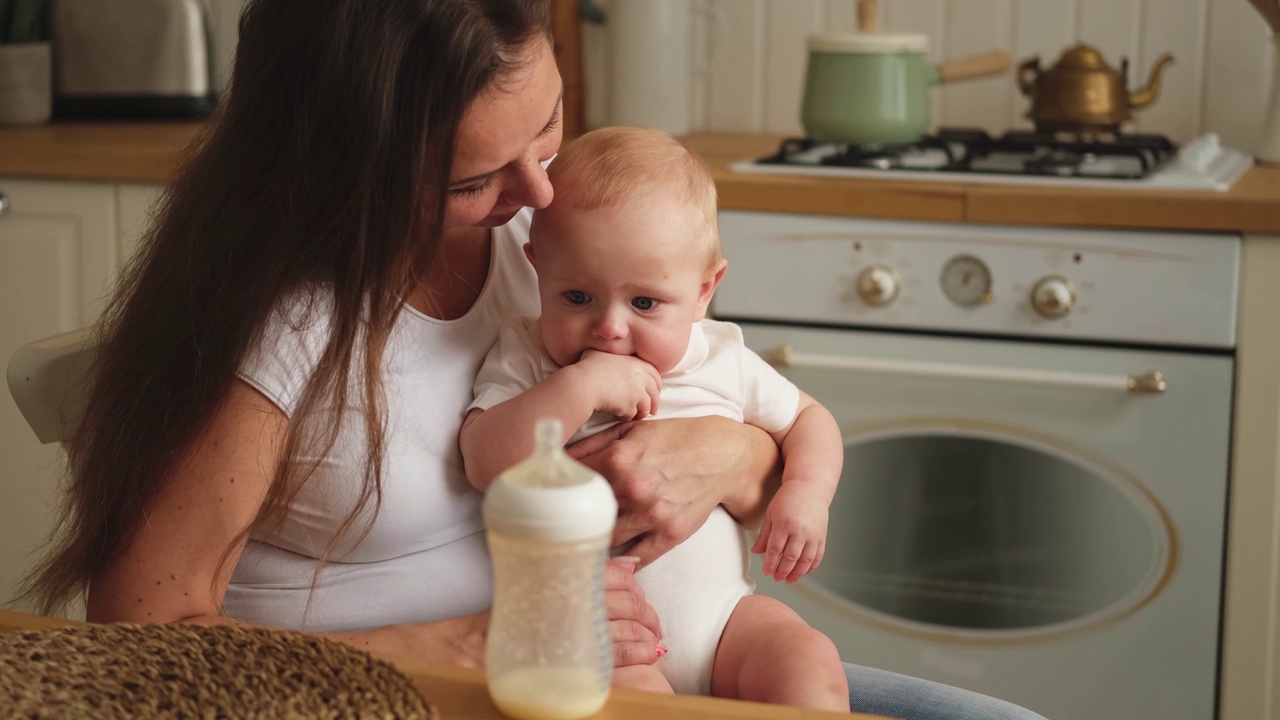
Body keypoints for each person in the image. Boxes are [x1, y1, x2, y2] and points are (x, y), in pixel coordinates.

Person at [17, 2, 1047, 718]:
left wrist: (729, 458)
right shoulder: (282, 334)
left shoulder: (550, 253)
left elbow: (745, 414)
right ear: (349, 164)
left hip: (623, 663)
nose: (537, 196)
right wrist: (449, 644)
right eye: (475, 178)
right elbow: (142, 636)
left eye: (546, 134)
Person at [460, 125, 848, 709]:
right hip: (601, 643)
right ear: (538, 268)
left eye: (644, 302)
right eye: (577, 297)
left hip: (724, 625)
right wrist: (581, 386)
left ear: (703, 290)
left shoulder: (720, 357)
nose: (610, 327)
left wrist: (807, 493)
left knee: (809, 660)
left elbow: (809, 420)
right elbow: (482, 459)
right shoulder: (530, 355)